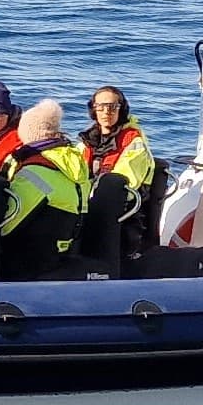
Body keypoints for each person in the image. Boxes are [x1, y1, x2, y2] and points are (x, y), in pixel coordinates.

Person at [0, 98, 89, 280]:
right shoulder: (73, 161)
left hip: (33, 259)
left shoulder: (35, 171)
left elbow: (7, 225)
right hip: (64, 248)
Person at [78, 85, 160, 276]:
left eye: (112, 106)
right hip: (89, 207)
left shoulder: (134, 143)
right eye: (101, 106)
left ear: (121, 110)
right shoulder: (87, 141)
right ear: (93, 110)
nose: (106, 111)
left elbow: (122, 185)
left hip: (122, 216)